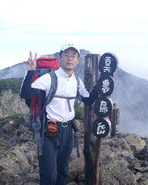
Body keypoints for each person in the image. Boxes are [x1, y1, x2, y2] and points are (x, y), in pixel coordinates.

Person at [20, 44, 98, 185]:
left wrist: (100, 85)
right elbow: (25, 94)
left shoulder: (77, 81)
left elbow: (88, 99)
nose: (70, 58)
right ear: (59, 58)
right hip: (49, 129)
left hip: (68, 130)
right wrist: (30, 72)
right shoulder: (50, 78)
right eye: (66, 54)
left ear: (78, 60)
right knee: (49, 175)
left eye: (73, 55)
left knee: (62, 173)